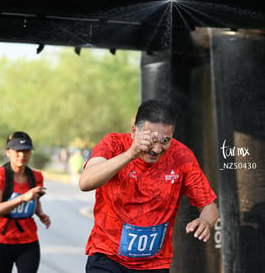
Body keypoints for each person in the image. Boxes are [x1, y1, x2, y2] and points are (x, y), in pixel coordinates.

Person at [79, 99, 218, 272]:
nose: (157, 149)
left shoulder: (182, 157)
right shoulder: (114, 144)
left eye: (165, 140)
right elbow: (85, 182)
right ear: (134, 132)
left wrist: (205, 221)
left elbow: (210, 207)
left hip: (155, 264)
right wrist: (130, 154)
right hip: (108, 257)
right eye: (151, 140)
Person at [0, 131, 51, 273]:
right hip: (1, 241)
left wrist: (40, 214)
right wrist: (22, 197)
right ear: (8, 152)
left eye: (26, 151)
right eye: (18, 151)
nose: (22, 156)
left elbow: (34, 200)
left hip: (28, 242)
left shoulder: (36, 176)